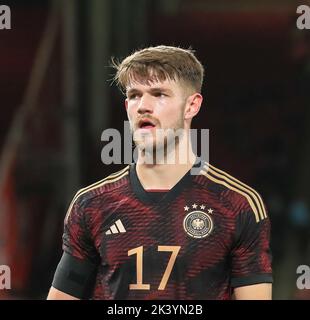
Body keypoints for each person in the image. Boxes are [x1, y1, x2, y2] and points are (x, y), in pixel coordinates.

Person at [47, 45, 272, 300]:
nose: (143, 106)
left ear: (192, 106)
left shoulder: (237, 204)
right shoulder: (91, 204)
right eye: (134, 95)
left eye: (159, 94)